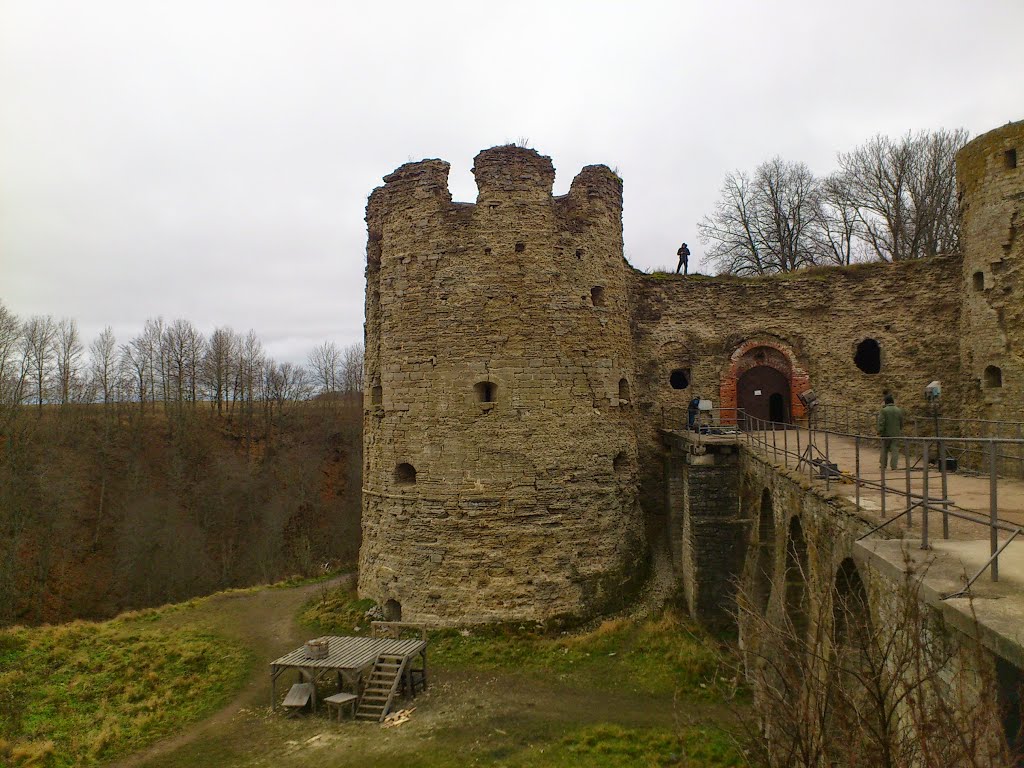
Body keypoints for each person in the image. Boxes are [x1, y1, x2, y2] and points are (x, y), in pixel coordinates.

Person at [876, 394, 906, 471]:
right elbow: (901, 422)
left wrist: (879, 431)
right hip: (896, 433)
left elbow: (881, 422)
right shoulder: (898, 410)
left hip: (886, 434)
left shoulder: (884, 410)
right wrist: (899, 430)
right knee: (895, 449)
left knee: (884, 449)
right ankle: (894, 466)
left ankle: (883, 465)